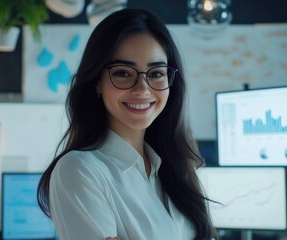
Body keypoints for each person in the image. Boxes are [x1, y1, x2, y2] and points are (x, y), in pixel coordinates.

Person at [37, 8, 219, 240]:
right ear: (97, 83)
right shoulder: (78, 170)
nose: (142, 89)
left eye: (156, 73)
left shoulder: (178, 168)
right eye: (123, 73)